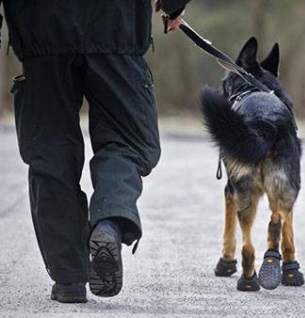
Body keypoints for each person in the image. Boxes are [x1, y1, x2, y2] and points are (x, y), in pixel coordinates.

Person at [0, 0, 190, 303]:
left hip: (41, 29)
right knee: (126, 142)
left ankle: (69, 278)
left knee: (50, 151)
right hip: (118, 25)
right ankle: (109, 220)